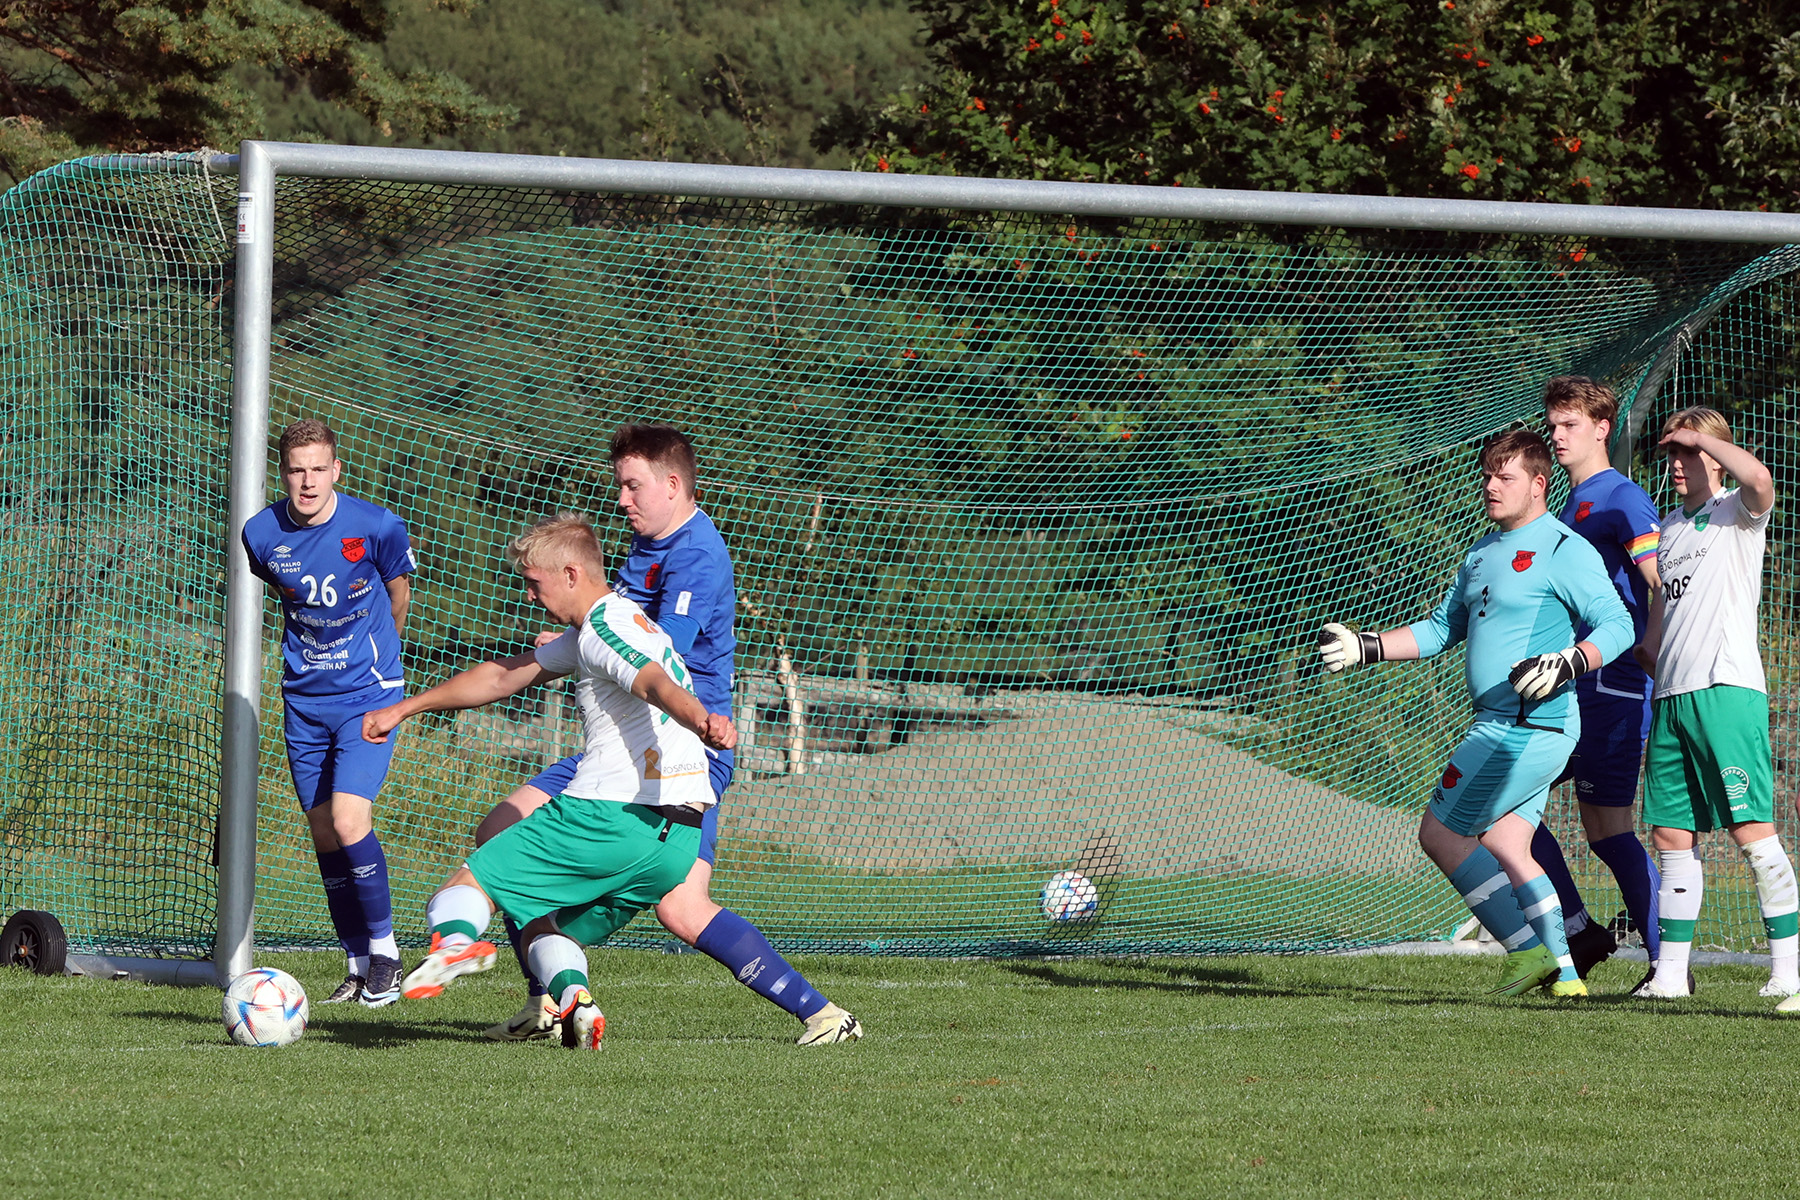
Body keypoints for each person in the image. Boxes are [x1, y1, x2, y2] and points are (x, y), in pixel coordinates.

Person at [476, 424, 861, 1047]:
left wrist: (579, 644)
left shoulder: (696, 554)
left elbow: (658, 656)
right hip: (626, 750)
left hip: (686, 748)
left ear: (674, 485)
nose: (622, 499)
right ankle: (544, 1003)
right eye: (620, 486)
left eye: (634, 486)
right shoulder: (642, 546)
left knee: (682, 909)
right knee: (500, 827)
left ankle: (823, 1014)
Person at [366, 513, 736, 1048]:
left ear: (569, 573)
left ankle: (452, 946)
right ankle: (572, 1002)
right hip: (673, 838)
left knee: (467, 887)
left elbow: (654, 683)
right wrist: (407, 708)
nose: (530, 594)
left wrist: (700, 718)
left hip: (609, 817)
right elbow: (501, 675)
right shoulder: (606, 624)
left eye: (534, 582)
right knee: (539, 919)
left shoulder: (605, 630)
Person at [1318, 429, 1634, 998]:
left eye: (1505, 476)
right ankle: (1565, 976)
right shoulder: (1482, 554)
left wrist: (1568, 662)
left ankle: (1527, 952)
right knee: (1510, 846)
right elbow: (1442, 631)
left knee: (1440, 834)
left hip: (1526, 725)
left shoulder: (1565, 549)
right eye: (1487, 474)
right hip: (1505, 725)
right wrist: (1368, 645)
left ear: (1539, 485)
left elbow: (1620, 625)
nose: (1491, 485)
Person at [240, 419, 416, 1006]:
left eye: (318, 469)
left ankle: (388, 956)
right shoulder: (260, 534)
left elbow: (398, 591)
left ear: (336, 470)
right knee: (323, 835)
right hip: (303, 702)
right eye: (296, 469)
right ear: (282, 473)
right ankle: (357, 962)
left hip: (368, 694)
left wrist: (380, 661)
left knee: (348, 821)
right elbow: (287, 596)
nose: (307, 481)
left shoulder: (376, 525)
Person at [1631, 408, 1798, 1002]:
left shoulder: (1736, 512)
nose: (1675, 463)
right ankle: (1671, 976)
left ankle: (1788, 971)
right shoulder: (1669, 528)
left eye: (1685, 452)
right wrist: (1648, 652)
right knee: (1670, 834)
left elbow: (1760, 482)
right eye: (1669, 454)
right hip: (1673, 698)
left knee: (1752, 833)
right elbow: (1664, 610)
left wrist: (1700, 436)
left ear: (1711, 453)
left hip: (1726, 693)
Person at [1529, 377, 1665, 988]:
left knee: (1608, 832)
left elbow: (1659, 583)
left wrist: (1648, 649)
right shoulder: (1571, 506)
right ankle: (1581, 931)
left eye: (1569, 425)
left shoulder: (1623, 498)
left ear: (1603, 427)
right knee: (1505, 808)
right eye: (1552, 425)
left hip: (1612, 689)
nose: (1556, 436)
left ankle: (1669, 965)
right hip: (1570, 686)